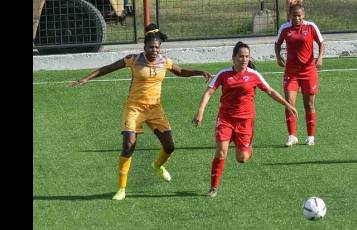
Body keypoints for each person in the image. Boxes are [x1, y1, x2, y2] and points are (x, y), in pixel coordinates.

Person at [71, 23, 212, 200]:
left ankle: (158, 166)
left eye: (157, 47)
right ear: (144, 47)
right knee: (129, 144)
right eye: (151, 47)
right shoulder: (133, 59)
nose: (154, 50)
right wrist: (86, 79)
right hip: (134, 108)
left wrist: (199, 72)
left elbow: (181, 71)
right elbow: (108, 68)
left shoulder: (164, 62)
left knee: (170, 146)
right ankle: (121, 189)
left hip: (155, 109)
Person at [192, 42, 297, 198]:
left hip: (245, 121)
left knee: (242, 158)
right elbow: (209, 93)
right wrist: (200, 112)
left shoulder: (254, 75)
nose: (244, 59)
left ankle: (248, 149)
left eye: (247, 56)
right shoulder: (224, 74)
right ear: (233, 58)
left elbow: (270, 91)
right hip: (226, 119)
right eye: (241, 56)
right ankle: (213, 188)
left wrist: (287, 105)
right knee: (221, 152)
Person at [274, 2, 325, 147]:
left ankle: (310, 136)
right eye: (294, 16)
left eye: (299, 16)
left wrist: (320, 57)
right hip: (291, 72)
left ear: (303, 16)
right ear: (290, 16)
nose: (297, 18)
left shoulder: (310, 27)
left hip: (309, 72)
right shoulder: (285, 28)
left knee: (309, 104)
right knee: (289, 103)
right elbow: (277, 43)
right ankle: (292, 136)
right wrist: (278, 57)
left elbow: (321, 42)